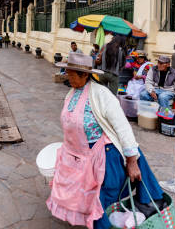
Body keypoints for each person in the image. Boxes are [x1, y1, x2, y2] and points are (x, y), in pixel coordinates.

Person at [48, 53, 165, 228]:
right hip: (78, 158)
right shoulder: (72, 93)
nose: (68, 77)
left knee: (100, 200)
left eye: (71, 74)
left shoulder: (101, 94)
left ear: (84, 75)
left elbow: (122, 127)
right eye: (67, 73)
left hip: (102, 157)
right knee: (85, 198)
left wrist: (132, 161)